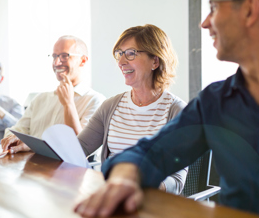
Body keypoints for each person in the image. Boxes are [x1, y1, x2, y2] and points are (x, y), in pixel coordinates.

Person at [74, 0, 259, 217]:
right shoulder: (214, 101)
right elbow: (155, 151)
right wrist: (125, 175)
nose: (205, 23)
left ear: (250, 9)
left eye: (214, 7)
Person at [77, 24, 188, 194]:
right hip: (109, 194)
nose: (121, 62)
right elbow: (79, 147)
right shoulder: (110, 106)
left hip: (149, 200)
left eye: (130, 53)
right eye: (119, 54)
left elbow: (177, 181)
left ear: (155, 61)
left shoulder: (177, 111)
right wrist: (36, 146)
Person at [1, 35, 106, 153]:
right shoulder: (40, 99)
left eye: (64, 56)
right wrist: (14, 138)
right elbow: (16, 129)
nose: (56, 62)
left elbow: (81, 149)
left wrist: (68, 104)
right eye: (54, 56)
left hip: (66, 170)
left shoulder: (95, 101)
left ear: (83, 60)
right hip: (31, 165)